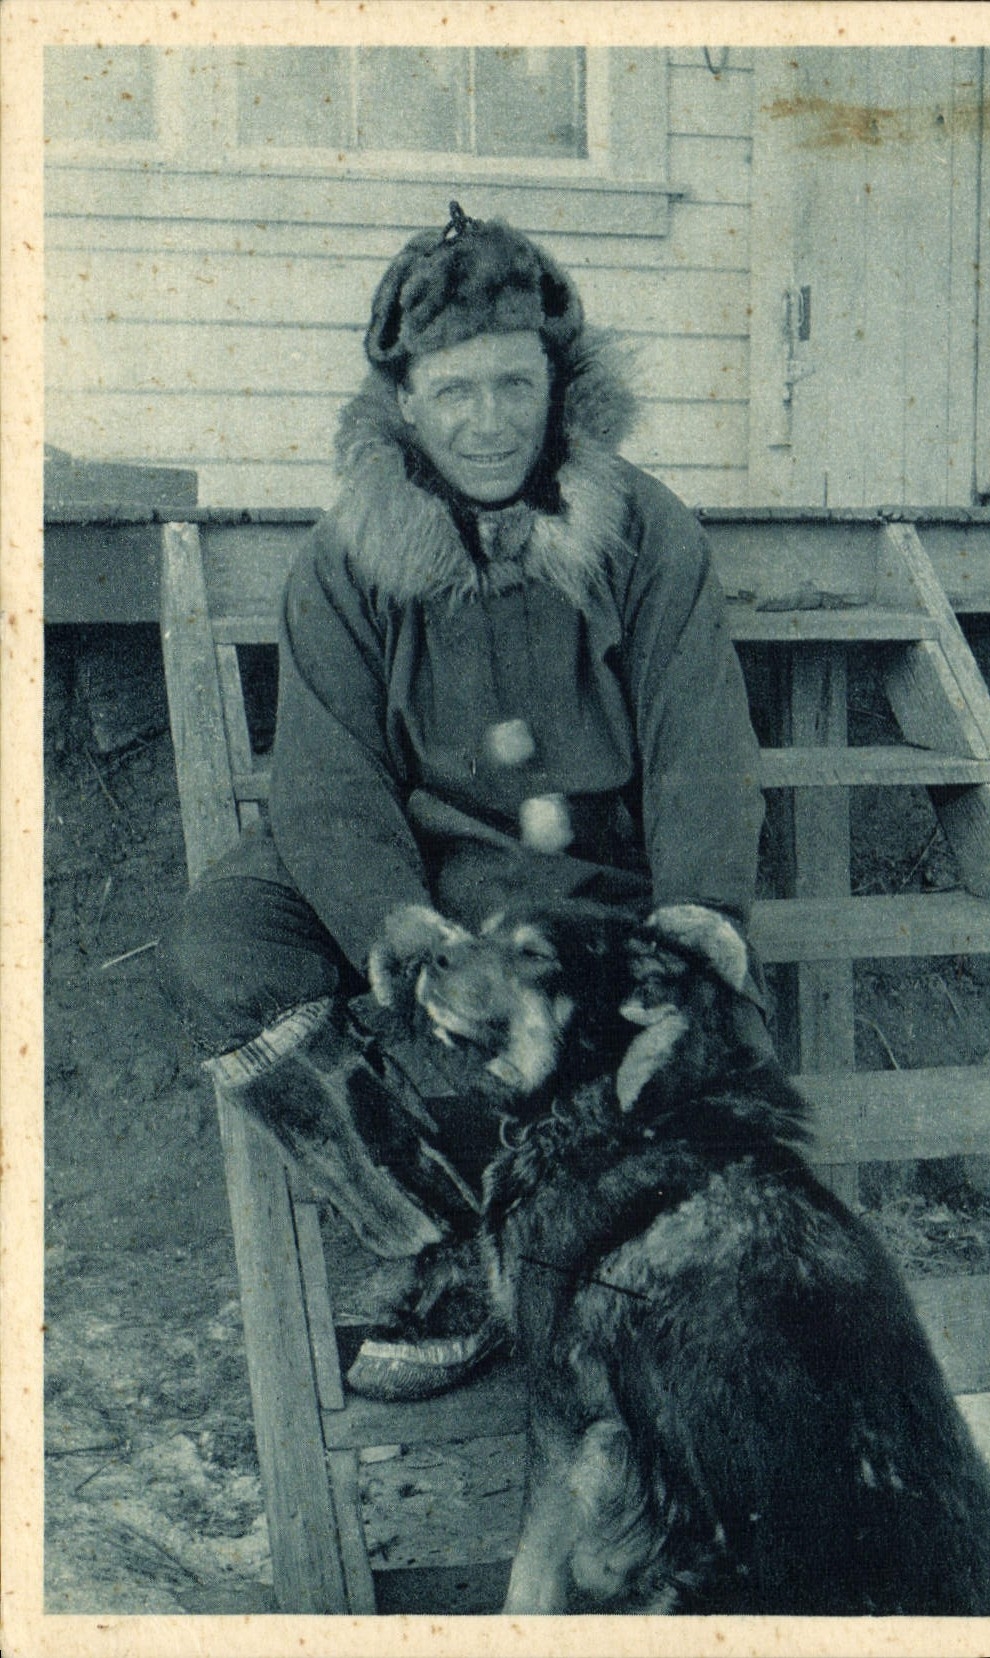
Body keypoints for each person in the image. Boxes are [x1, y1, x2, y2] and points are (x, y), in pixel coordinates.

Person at [161, 203, 768, 1397]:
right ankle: (438, 1240)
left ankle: (556, 1257)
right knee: (222, 942)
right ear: (403, 402)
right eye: (453, 392)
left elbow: (700, 734)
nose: (485, 420)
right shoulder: (344, 559)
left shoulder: (647, 533)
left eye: (511, 384)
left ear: (559, 386)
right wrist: (388, 918)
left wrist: (700, 908)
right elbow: (327, 776)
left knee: (545, 992)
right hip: (398, 849)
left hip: (565, 860)